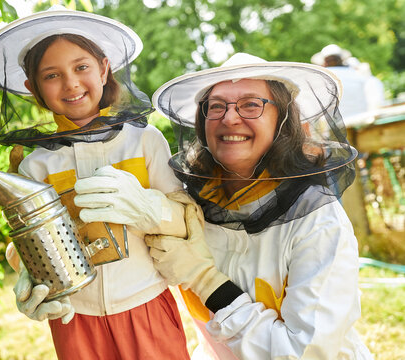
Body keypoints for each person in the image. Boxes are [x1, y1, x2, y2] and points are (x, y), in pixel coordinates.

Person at [0, 6, 191, 360]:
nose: (71, 83)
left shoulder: (144, 139)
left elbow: (184, 219)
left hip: (146, 304)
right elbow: (28, 242)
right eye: (52, 75)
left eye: (81, 67)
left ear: (104, 69)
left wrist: (149, 208)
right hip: (75, 318)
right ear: (33, 88)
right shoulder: (36, 163)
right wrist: (26, 274)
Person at [145, 52, 373, 359]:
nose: (229, 117)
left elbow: (304, 353)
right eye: (216, 106)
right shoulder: (190, 208)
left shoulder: (318, 223)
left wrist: (206, 281)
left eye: (251, 104)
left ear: (282, 119)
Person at [311, 44, 385, 127]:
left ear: (324, 62)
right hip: (362, 124)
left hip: (336, 129)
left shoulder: (321, 77)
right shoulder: (358, 75)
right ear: (341, 59)